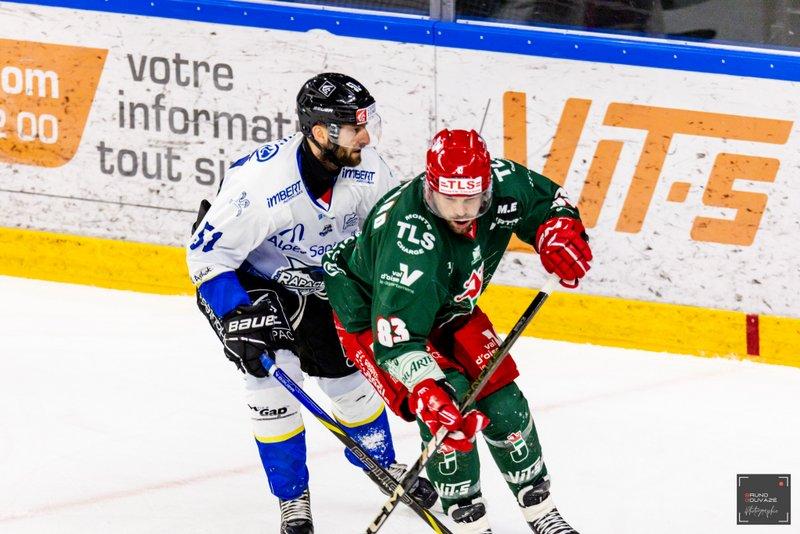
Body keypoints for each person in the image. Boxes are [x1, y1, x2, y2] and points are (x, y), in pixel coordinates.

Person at [186, 73, 436, 534]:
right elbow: (207, 254)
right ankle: (292, 497)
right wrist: (234, 312)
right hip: (255, 282)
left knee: (350, 380)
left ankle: (382, 464)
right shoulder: (260, 183)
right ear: (321, 132)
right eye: (355, 128)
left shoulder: (369, 170)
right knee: (272, 379)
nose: (366, 137)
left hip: (325, 281)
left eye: (367, 124)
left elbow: (392, 239)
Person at [322, 129, 592, 533]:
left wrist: (558, 232)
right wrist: (427, 389)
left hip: (448, 305)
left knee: (504, 402)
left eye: (471, 199)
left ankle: (542, 511)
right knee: (450, 414)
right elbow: (398, 342)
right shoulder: (411, 240)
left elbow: (548, 202)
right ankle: (470, 522)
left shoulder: (502, 183)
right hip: (375, 315)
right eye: (449, 199)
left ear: (487, 186)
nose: (462, 211)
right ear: (431, 189)